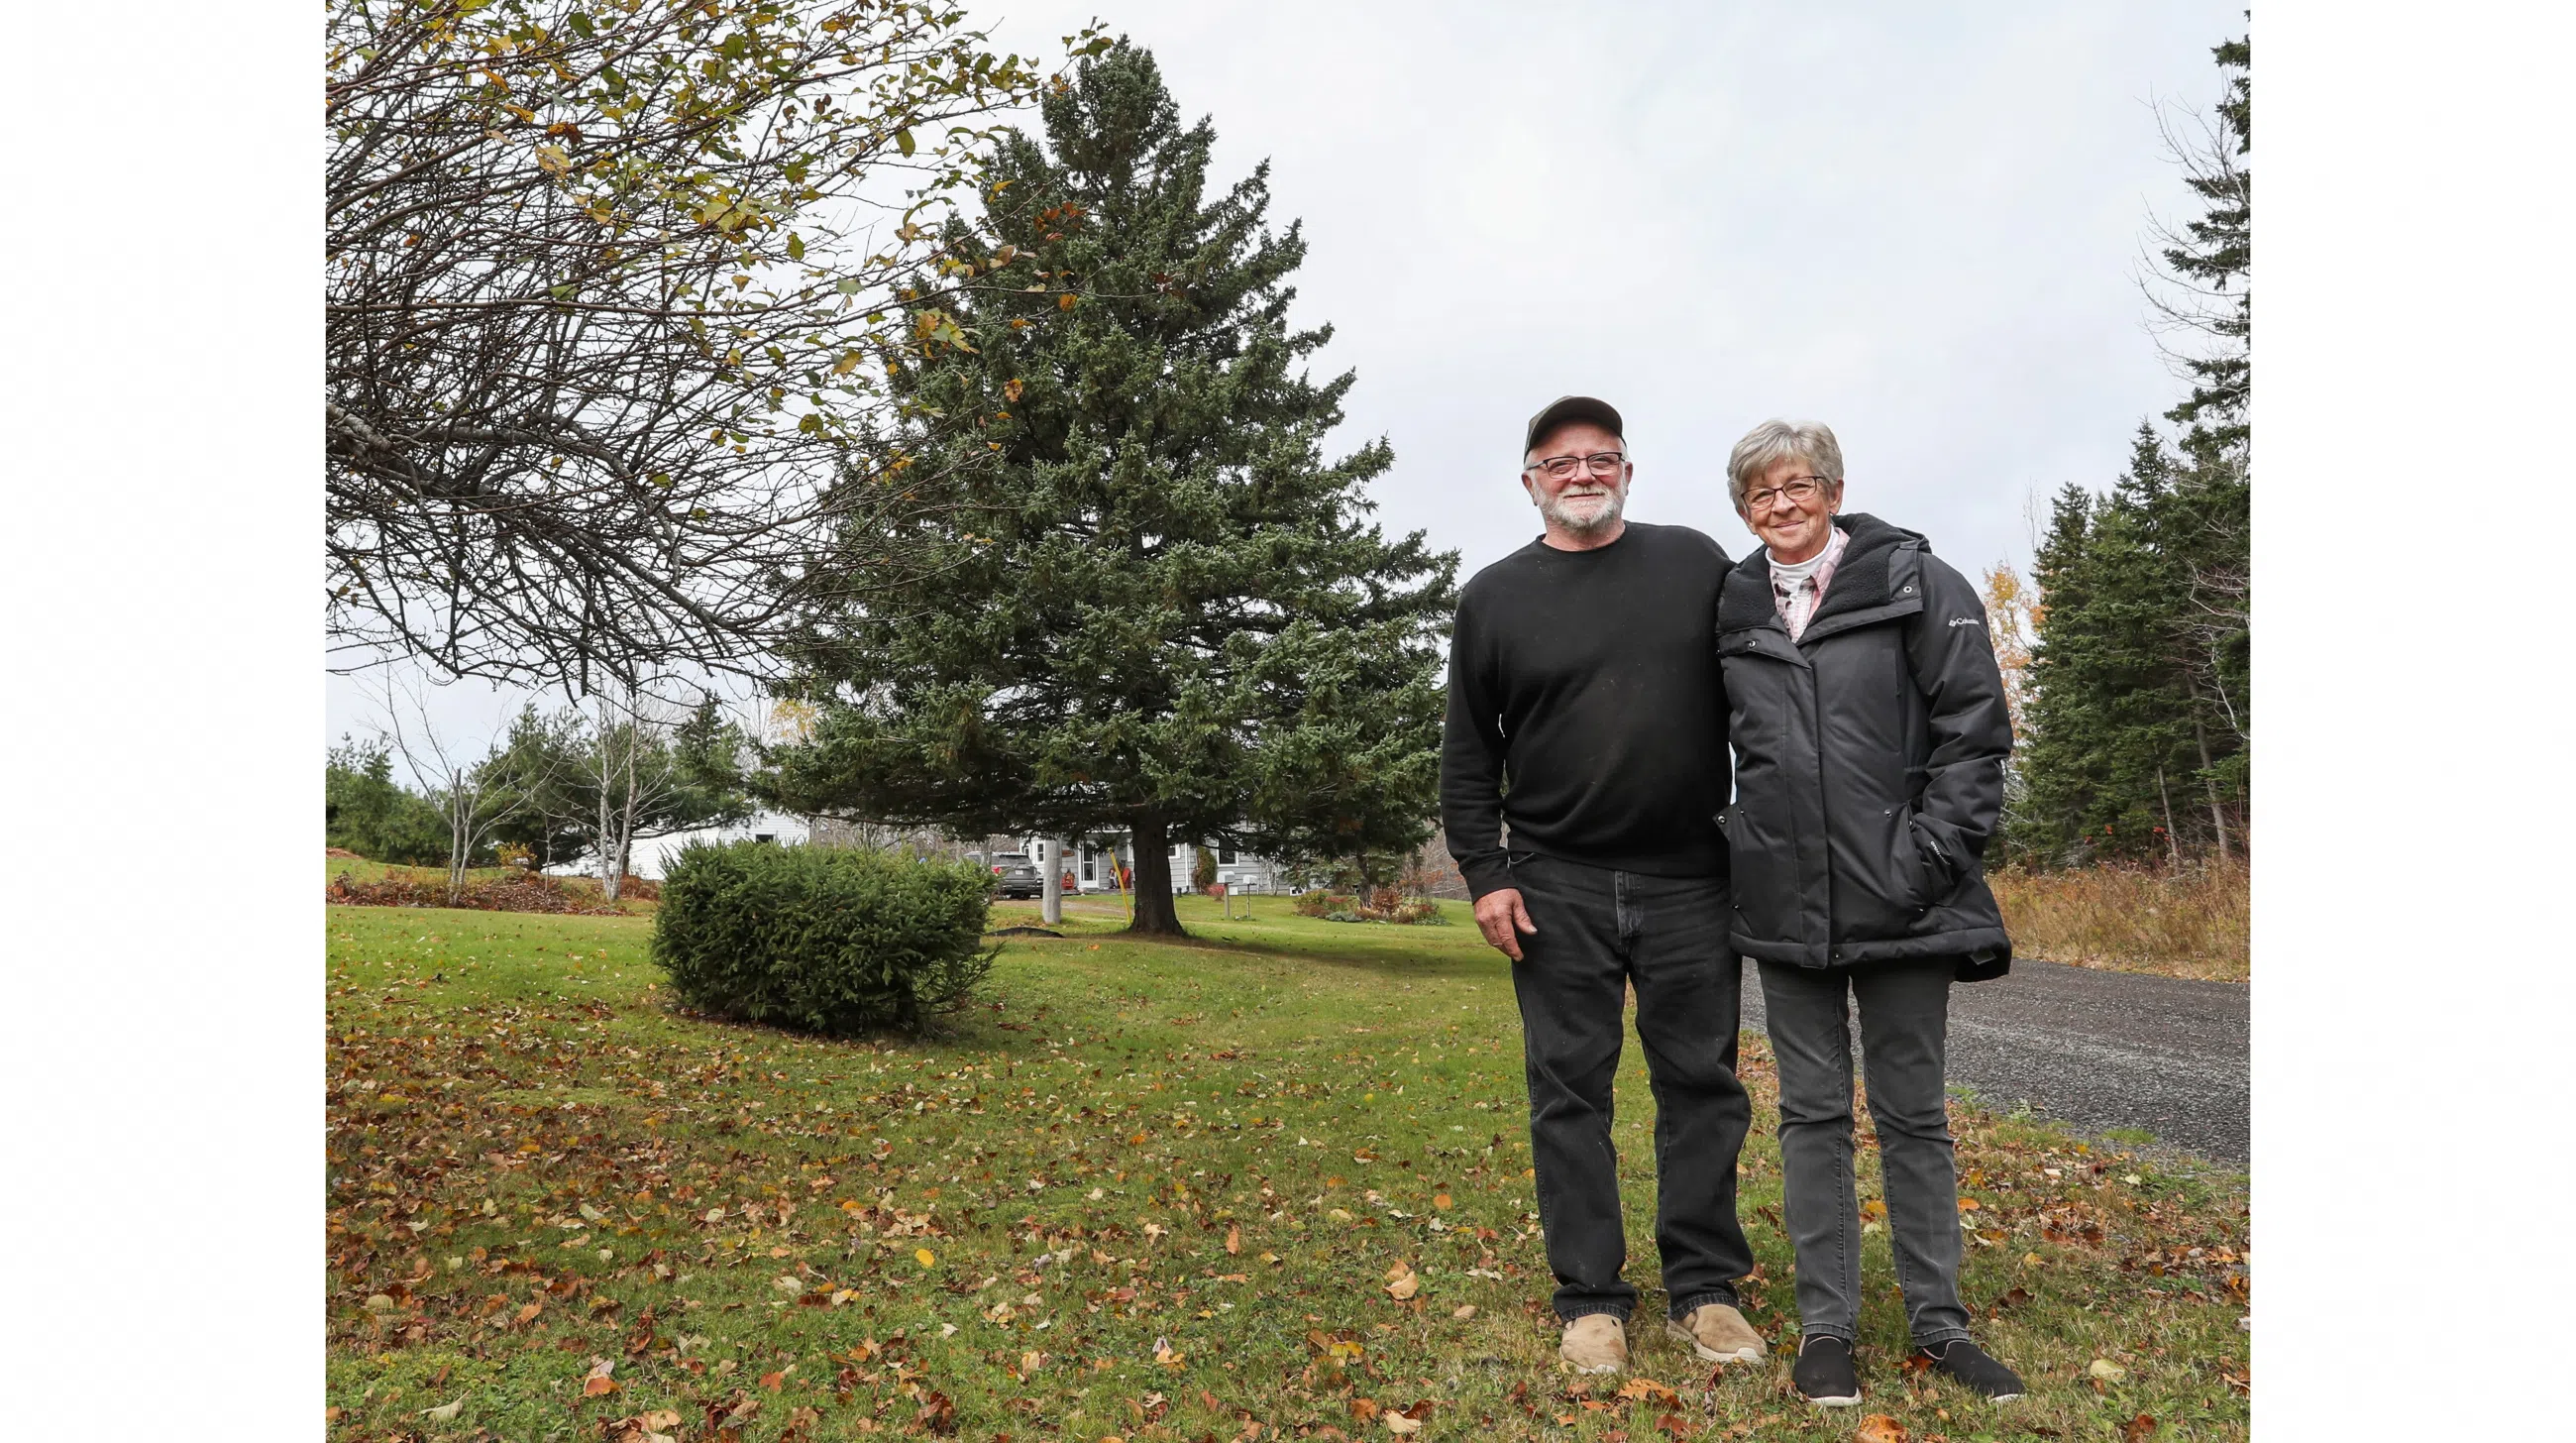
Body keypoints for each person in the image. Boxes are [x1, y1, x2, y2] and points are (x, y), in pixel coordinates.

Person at [1440, 395, 1763, 1378]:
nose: (1580, 472)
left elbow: (1763, 691)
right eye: (1558, 460)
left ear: (1626, 471)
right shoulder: (1493, 598)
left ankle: (1704, 1290)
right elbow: (1466, 757)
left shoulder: (1693, 564)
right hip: (1555, 883)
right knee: (1567, 1094)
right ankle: (1589, 1298)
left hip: (1690, 881)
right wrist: (1485, 875)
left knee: (1700, 1089)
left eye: (1600, 457)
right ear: (1529, 480)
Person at [1713, 418, 2026, 1407]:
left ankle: (1938, 1324)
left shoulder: (1914, 583)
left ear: (1833, 489)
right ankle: (1825, 1330)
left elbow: (1973, 733)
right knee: (1809, 1117)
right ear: (1743, 510)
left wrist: (1927, 856)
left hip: (1903, 902)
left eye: (1797, 485)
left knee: (1909, 1115)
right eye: (1759, 494)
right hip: (1784, 910)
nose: (1780, 505)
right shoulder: (1727, 605)